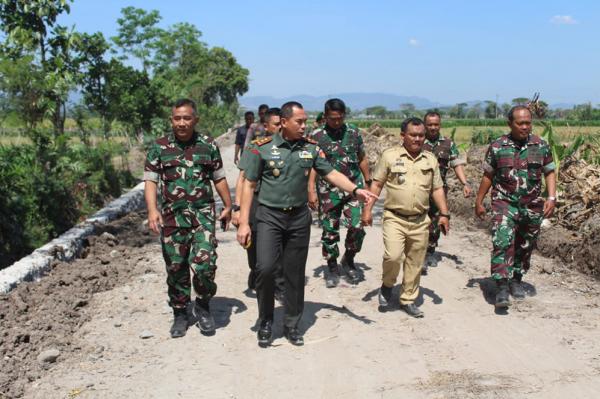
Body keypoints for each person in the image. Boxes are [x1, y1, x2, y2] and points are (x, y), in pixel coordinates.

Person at [236, 101, 377, 347]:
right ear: (284, 122)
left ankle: (292, 324)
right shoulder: (261, 148)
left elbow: (331, 173)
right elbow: (248, 184)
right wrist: (243, 222)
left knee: (294, 274)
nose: (305, 126)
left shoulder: (311, 149)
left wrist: (356, 190)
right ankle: (266, 320)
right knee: (266, 268)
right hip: (269, 216)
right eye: (299, 122)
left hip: (298, 219)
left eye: (305, 121)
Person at [144, 98, 233, 338]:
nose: (182, 123)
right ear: (171, 119)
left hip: (203, 216)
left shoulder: (208, 145)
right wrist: (152, 211)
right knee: (176, 267)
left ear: (195, 119)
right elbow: (151, 182)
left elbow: (219, 177)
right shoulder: (159, 147)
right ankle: (180, 313)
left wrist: (228, 205)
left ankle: (203, 306)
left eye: (186, 118)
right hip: (172, 218)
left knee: (205, 264)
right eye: (177, 118)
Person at [362, 117, 449, 318]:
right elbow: (376, 184)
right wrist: (367, 210)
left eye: (421, 135)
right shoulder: (390, 156)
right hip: (395, 217)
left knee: (415, 261)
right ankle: (387, 285)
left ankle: (408, 299)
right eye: (413, 135)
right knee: (393, 256)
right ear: (403, 135)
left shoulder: (430, 159)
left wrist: (444, 214)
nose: (417, 139)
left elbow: (437, 188)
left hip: (420, 219)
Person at [475, 105, 556, 309]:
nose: (525, 127)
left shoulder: (540, 145)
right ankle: (501, 286)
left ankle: (516, 279)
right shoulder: (497, 146)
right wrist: (479, 201)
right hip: (504, 202)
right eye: (520, 123)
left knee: (525, 244)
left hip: (531, 204)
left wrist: (552, 197)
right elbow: (488, 175)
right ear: (510, 123)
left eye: (528, 122)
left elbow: (549, 172)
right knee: (502, 240)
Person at [308, 98, 371, 287]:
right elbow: (312, 164)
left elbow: (362, 158)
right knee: (330, 230)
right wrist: (310, 189)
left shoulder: (353, 132)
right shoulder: (317, 135)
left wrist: (368, 182)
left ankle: (349, 259)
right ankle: (332, 267)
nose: (336, 122)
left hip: (354, 186)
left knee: (357, 225)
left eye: (340, 118)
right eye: (332, 118)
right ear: (325, 116)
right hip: (328, 191)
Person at [232, 107, 284, 298]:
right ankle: (255, 270)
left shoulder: (291, 148)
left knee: (279, 246)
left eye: (282, 123)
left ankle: (278, 285)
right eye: (276, 124)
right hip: (255, 200)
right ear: (267, 126)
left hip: (277, 203)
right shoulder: (255, 146)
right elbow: (243, 179)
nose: (280, 128)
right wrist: (237, 208)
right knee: (253, 245)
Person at [421, 111, 472, 275]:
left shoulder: (448, 144)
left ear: (440, 125)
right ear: (424, 125)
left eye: (436, 124)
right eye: (430, 124)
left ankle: (430, 251)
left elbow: (456, 164)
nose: (433, 127)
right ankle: (418, 255)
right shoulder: (417, 141)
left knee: (436, 222)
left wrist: (464, 183)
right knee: (419, 221)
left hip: (439, 191)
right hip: (418, 191)